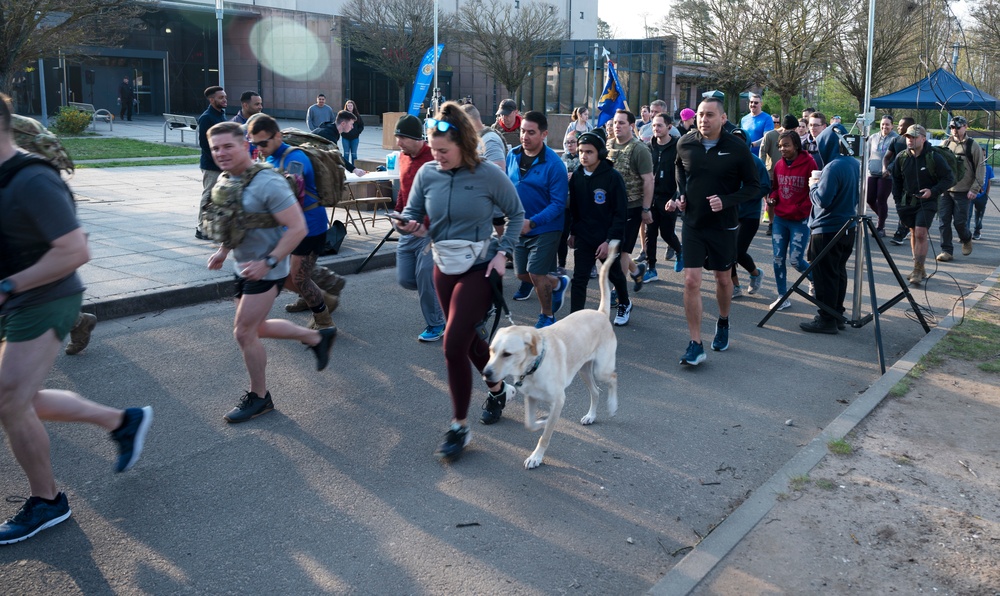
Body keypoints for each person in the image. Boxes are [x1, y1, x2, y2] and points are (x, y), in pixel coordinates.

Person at [0, 93, 152, 544]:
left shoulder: (31, 181)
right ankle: (121, 421)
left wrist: (7, 286)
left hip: (44, 299)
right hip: (14, 300)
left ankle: (47, 502)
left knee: (10, 400)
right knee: (16, 399)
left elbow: (74, 251)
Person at [396, 102, 524, 457]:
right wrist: (410, 224)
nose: (436, 157)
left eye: (443, 151)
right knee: (468, 343)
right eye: (433, 150)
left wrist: (502, 253)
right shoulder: (428, 174)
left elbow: (516, 214)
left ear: (464, 144)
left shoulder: (487, 174)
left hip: (479, 268)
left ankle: (459, 428)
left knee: (452, 344)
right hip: (442, 267)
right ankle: (500, 390)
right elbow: (413, 213)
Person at [204, 122, 338, 423]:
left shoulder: (268, 182)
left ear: (245, 146)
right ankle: (317, 338)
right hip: (244, 265)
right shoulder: (228, 179)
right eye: (216, 148)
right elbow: (235, 220)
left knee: (243, 332)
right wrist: (223, 251)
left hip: (267, 269)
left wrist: (269, 261)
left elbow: (297, 227)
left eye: (228, 146)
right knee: (257, 328)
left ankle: (259, 397)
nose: (221, 153)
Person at [670, 96, 760, 365]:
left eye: (709, 115)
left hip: (723, 225)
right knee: (690, 281)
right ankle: (695, 343)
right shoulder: (685, 142)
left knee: (723, 280)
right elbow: (679, 167)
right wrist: (682, 194)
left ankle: (723, 321)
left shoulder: (737, 148)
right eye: (700, 114)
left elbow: (755, 187)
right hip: (693, 223)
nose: (703, 119)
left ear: (722, 118)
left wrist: (727, 200)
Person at [246, 114, 334, 331]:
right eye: (255, 144)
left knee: (299, 277)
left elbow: (292, 197)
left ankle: (324, 319)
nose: (260, 148)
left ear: (277, 136)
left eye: (263, 143)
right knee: (287, 274)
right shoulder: (270, 157)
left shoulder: (295, 160)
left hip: (309, 227)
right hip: (290, 227)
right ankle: (312, 298)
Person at [506, 111, 570, 329]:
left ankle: (548, 315)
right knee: (521, 273)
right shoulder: (512, 155)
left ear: (544, 134)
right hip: (519, 226)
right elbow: (509, 188)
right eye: (522, 131)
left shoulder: (554, 165)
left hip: (546, 228)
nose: (525, 136)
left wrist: (532, 222)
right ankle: (557, 283)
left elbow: (558, 204)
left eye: (531, 132)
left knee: (536, 272)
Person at [390, 114, 445, 342]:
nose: (398, 142)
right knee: (406, 279)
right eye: (397, 137)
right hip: (408, 227)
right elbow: (403, 190)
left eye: (402, 137)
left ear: (415, 138)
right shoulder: (402, 158)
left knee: (424, 274)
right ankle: (444, 296)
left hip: (431, 231)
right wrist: (398, 214)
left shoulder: (434, 158)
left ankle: (436, 323)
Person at [801, 126, 861, 333]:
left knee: (824, 275)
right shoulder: (853, 163)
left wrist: (813, 186)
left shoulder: (832, 167)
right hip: (847, 227)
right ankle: (837, 314)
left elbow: (823, 200)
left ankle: (826, 318)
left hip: (827, 228)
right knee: (838, 272)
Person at [567, 132, 630, 314]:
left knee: (615, 275)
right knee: (579, 279)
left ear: (600, 153)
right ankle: (575, 317)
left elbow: (620, 213)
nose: (583, 156)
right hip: (584, 236)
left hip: (607, 237)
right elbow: (575, 210)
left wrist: (609, 241)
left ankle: (624, 303)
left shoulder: (612, 177)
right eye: (581, 151)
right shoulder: (577, 176)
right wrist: (573, 232)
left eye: (589, 152)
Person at [891, 124, 955, 285]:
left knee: (920, 233)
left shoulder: (934, 157)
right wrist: (898, 202)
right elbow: (896, 181)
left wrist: (933, 192)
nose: (910, 140)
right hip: (907, 202)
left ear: (923, 139)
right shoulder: (902, 157)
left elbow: (949, 178)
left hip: (928, 201)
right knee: (913, 232)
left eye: (914, 137)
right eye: (908, 137)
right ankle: (918, 266)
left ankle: (918, 270)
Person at [608, 109, 654, 323]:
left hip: (631, 207)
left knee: (622, 251)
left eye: (622, 123)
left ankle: (619, 290)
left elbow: (648, 180)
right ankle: (636, 271)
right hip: (608, 207)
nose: (617, 126)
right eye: (615, 122)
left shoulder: (639, 149)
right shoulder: (607, 146)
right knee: (610, 250)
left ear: (631, 125)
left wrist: (645, 209)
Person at [768, 131, 816, 311]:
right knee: (778, 258)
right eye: (780, 146)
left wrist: (799, 209)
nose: (782, 149)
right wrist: (772, 198)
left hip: (799, 220)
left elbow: (814, 192)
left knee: (796, 260)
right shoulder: (779, 165)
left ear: (796, 145)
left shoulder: (810, 163)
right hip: (781, 219)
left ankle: (814, 280)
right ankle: (782, 296)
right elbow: (775, 189)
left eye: (786, 145)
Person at [729, 128, 770, 298]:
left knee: (737, 251)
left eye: (740, 139)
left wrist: (745, 196)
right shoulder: (726, 161)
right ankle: (735, 286)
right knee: (726, 251)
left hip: (749, 214)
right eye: (734, 139)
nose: (737, 142)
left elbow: (766, 186)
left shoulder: (755, 162)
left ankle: (755, 273)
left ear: (746, 141)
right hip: (729, 213)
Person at [937, 115, 984, 261]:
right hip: (945, 190)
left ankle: (966, 238)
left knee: (959, 222)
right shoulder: (945, 143)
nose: (954, 130)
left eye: (958, 127)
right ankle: (947, 251)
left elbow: (980, 168)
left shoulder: (972, 145)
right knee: (943, 222)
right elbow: (938, 165)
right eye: (952, 127)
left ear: (965, 127)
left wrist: (975, 188)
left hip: (964, 191)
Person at [643, 113, 682, 283]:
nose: (656, 129)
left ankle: (680, 251)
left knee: (666, 233)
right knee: (650, 234)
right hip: (651, 197)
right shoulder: (649, 147)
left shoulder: (677, 147)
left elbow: (682, 176)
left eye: (659, 125)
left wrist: (675, 198)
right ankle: (651, 268)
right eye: (653, 126)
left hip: (668, 198)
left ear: (669, 127)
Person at [195, 86, 227, 240]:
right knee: (208, 196)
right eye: (221, 97)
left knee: (218, 197)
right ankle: (201, 228)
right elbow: (205, 144)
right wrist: (218, 160)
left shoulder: (221, 115)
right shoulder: (207, 117)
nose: (224, 100)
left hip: (221, 164)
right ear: (211, 99)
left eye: (225, 97)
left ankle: (213, 227)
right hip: (211, 165)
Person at [759, 114, 799, 238]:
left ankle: (784, 223)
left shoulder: (794, 138)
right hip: (772, 174)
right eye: (791, 130)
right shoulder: (770, 135)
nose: (793, 132)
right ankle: (771, 224)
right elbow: (763, 151)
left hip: (789, 174)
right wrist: (764, 168)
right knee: (771, 200)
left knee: (786, 198)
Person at [865, 115, 898, 236]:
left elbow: (897, 157)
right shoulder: (873, 137)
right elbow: (867, 154)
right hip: (872, 173)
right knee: (869, 199)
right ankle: (882, 215)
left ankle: (880, 227)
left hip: (886, 175)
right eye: (883, 124)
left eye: (887, 124)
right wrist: (867, 167)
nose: (885, 126)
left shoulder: (896, 139)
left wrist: (889, 168)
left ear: (892, 125)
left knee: (881, 198)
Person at [885, 116, 916, 245]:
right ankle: (907, 227)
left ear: (909, 127)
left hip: (912, 181)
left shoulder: (916, 141)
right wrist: (885, 168)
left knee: (908, 205)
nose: (898, 127)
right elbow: (887, 157)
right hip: (897, 179)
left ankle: (901, 232)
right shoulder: (895, 140)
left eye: (901, 125)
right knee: (900, 205)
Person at [310, 111, 366, 176]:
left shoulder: (330, 130)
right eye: (351, 124)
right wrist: (354, 169)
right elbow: (337, 156)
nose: (352, 127)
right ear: (343, 124)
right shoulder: (328, 135)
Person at [557, 132, 580, 276]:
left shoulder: (584, 157)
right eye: (567, 142)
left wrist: (575, 176)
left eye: (572, 142)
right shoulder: (562, 158)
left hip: (580, 202)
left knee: (580, 236)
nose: (570, 145)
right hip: (566, 202)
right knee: (563, 235)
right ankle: (562, 264)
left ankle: (588, 266)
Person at [967, 164, 993, 240]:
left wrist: (986, 195)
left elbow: (988, 182)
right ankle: (966, 233)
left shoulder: (988, 167)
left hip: (981, 196)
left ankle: (977, 231)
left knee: (979, 215)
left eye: (984, 155)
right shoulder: (971, 166)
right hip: (970, 195)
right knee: (967, 214)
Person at [340, 99, 364, 164]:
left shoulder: (357, 116)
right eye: (348, 106)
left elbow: (361, 126)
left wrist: (357, 132)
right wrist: (343, 133)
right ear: (346, 107)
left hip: (355, 138)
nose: (350, 107)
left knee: (354, 154)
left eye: (351, 106)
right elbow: (339, 125)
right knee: (346, 154)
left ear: (353, 107)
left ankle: (354, 168)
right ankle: (346, 168)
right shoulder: (343, 116)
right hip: (345, 138)